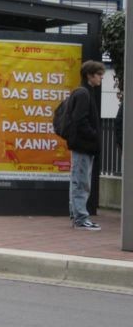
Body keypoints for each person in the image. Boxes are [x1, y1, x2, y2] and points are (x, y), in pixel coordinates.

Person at [66, 60, 105, 231]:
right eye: (99, 75)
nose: (101, 78)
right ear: (90, 75)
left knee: (79, 181)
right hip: (83, 146)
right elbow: (79, 120)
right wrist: (93, 135)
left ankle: (77, 216)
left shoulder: (85, 92)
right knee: (81, 182)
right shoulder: (83, 94)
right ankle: (81, 218)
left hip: (84, 146)